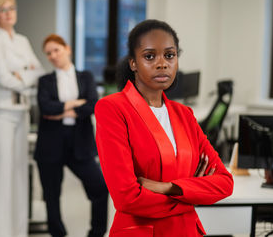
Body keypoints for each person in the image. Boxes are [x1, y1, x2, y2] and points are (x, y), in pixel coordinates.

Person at [94, 19, 234, 236]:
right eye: (149, 56)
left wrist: (168, 187)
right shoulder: (112, 108)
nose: (162, 63)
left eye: (170, 55)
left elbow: (224, 182)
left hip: (187, 231)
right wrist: (191, 193)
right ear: (133, 63)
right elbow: (127, 198)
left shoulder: (184, 114)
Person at [0, 0, 45, 237]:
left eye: (12, 8)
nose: (9, 12)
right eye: (3, 9)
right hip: (0, 113)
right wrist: (22, 75)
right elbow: (1, 76)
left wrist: (22, 77)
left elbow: (38, 71)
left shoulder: (22, 40)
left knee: (19, 174)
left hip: (22, 111)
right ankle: (2, 233)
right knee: (3, 175)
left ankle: (19, 232)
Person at [35, 34, 108, 237]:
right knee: (51, 195)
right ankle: (58, 234)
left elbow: (93, 103)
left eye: (56, 50)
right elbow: (45, 107)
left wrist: (61, 111)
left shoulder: (86, 77)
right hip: (50, 144)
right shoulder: (45, 81)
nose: (53, 56)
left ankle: (97, 233)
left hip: (80, 142)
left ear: (67, 49)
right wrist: (75, 104)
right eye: (48, 53)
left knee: (100, 187)